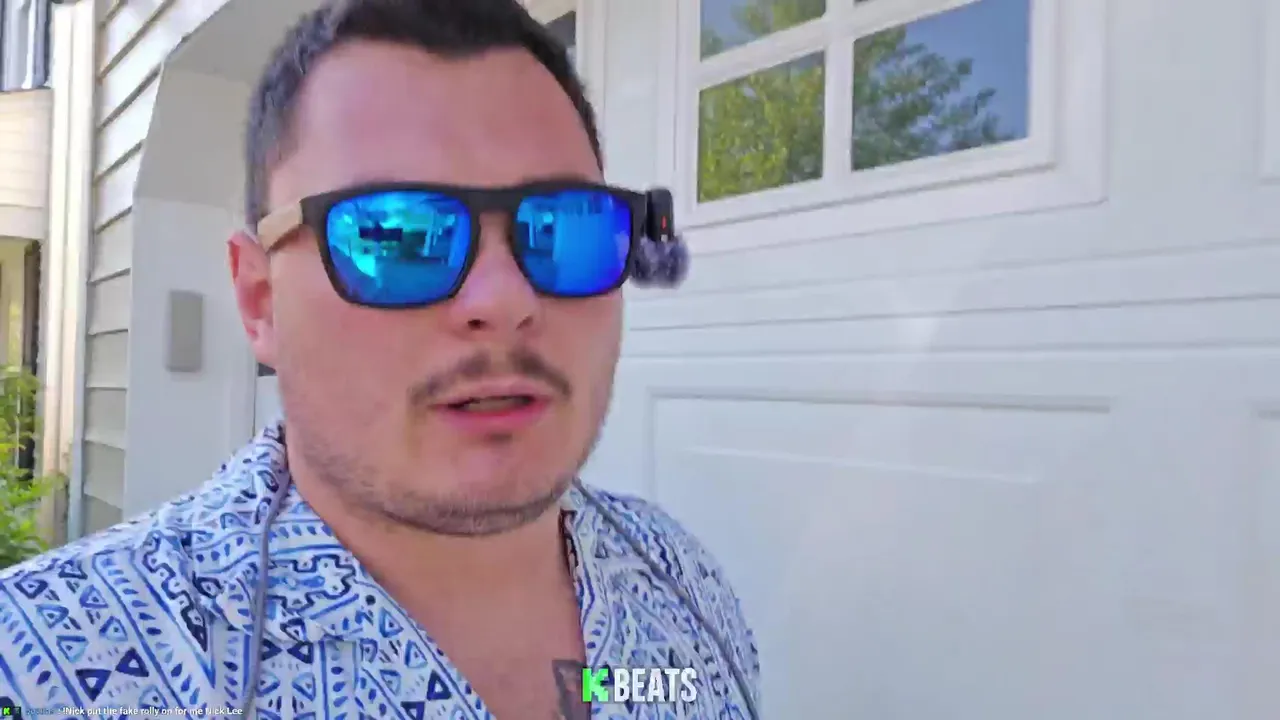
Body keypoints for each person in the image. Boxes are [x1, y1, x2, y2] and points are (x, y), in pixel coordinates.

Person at [0, 0, 761, 718]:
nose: (504, 299)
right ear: (261, 300)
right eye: (393, 236)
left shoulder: (681, 579)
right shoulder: (53, 671)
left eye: (566, 226)